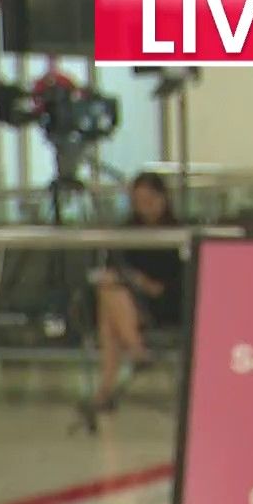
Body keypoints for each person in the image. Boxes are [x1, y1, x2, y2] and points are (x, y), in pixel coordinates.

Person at [76, 171, 184, 431]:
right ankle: (135, 350)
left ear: (162, 198)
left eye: (149, 201)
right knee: (109, 293)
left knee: (109, 305)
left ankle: (107, 387)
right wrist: (131, 280)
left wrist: (143, 282)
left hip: (164, 303)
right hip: (130, 302)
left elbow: (173, 285)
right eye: (138, 202)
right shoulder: (128, 232)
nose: (143, 207)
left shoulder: (177, 233)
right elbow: (116, 267)